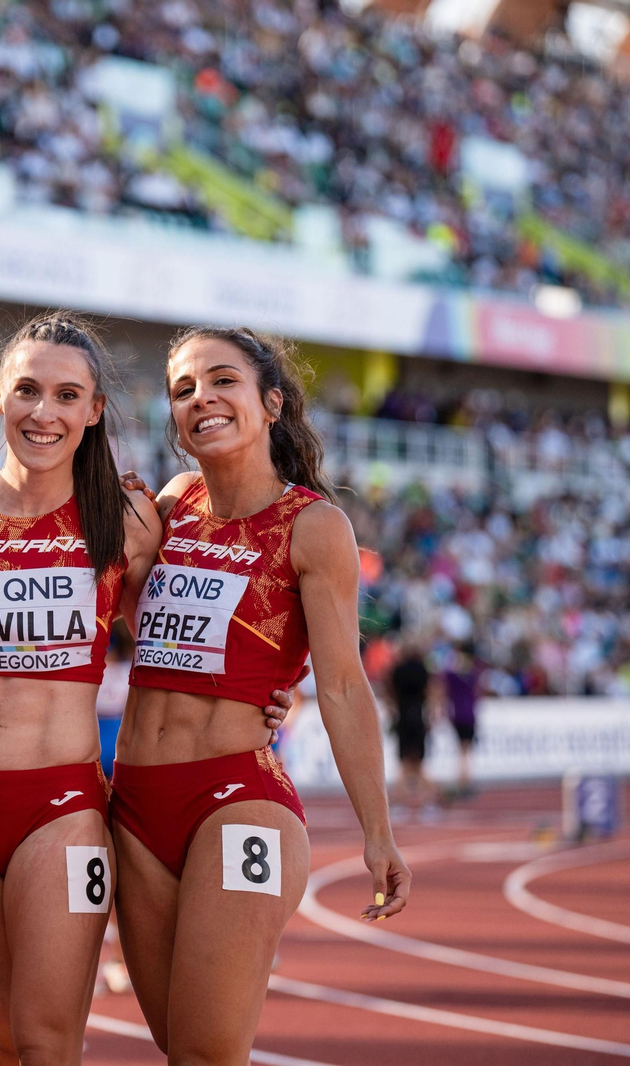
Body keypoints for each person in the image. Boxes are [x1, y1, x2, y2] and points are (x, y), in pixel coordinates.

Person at [112, 326, 409, 1063]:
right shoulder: (172, 502)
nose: (201, 399)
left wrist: (378, 832)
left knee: (209, 1053)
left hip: (235, 799)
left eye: (223, 381)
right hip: (135, 805)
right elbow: (149, 629)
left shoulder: (315, 526)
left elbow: (343, 686)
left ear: (271, 402)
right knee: (178, 1047)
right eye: (183, 389)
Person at [0, 315, 158, 1065]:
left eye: (67, 395)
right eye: (27, 390)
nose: (44, 412)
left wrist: (270, 695)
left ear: (94, 410)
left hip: (62, 809)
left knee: (48, 1042)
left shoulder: (127, 521)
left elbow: (178, 647)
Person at [389, 636, 431, 809]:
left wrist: (393, 708)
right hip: (418, 715)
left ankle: (399, 801)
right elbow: (430, 691)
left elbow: (389, 691)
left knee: (404, 764)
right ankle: (425, 801)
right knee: (419, 764)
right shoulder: (423, 669)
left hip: (402, 716)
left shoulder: (397, 670)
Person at [439, 641, 481, 799]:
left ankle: (462, 780)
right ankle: (464, 781)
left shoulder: (453, 673)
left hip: (457, 714)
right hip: (469, 714)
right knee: (466, 750)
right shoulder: (473, 672)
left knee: (462, 750)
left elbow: (444, 681)